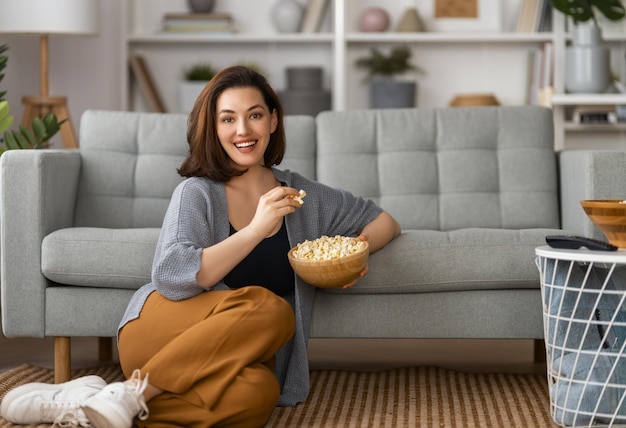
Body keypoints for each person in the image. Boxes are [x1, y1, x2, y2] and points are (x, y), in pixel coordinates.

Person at [0, 65, 401, 427]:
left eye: (255, 115)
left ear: (273, 120)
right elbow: (171, 276)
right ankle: (132, 393)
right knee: (271, 309)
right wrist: (255, 230)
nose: (243, 130)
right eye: (228, 119)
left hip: (228, 355)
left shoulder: (299, 195)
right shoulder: (198, 192)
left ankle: (92, 404)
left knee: (258, 395)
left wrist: (353, 252)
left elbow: (384, 221)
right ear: (214, 127)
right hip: (159, 330)